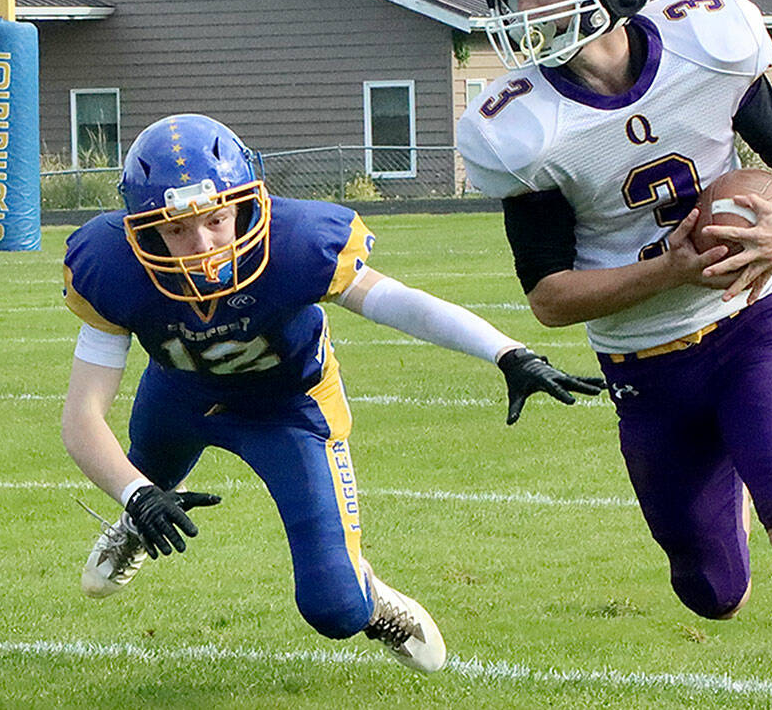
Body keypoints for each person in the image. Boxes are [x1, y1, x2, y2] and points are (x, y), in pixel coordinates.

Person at [457, 0, 772, 709]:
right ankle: (715, 525)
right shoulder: (521, 125)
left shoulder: (706, 41)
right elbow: (549, 297)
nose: (523, 3)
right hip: (646, 367)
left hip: (748, 327)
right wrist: (672, 270)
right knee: (710, 591)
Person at [61, 113, 604, 674]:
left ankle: (369, 593)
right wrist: (136, 497)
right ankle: (134, 525)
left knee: (334, 608)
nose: (202, 245)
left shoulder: (296, 242)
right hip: (178, 397)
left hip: (289, 410)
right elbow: (82, 417)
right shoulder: (110, 266)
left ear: (248, 203)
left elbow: (400, 302)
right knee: (142, 478)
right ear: (142, 229)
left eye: (217, 220)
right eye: (176, 230)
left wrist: (505, 351)